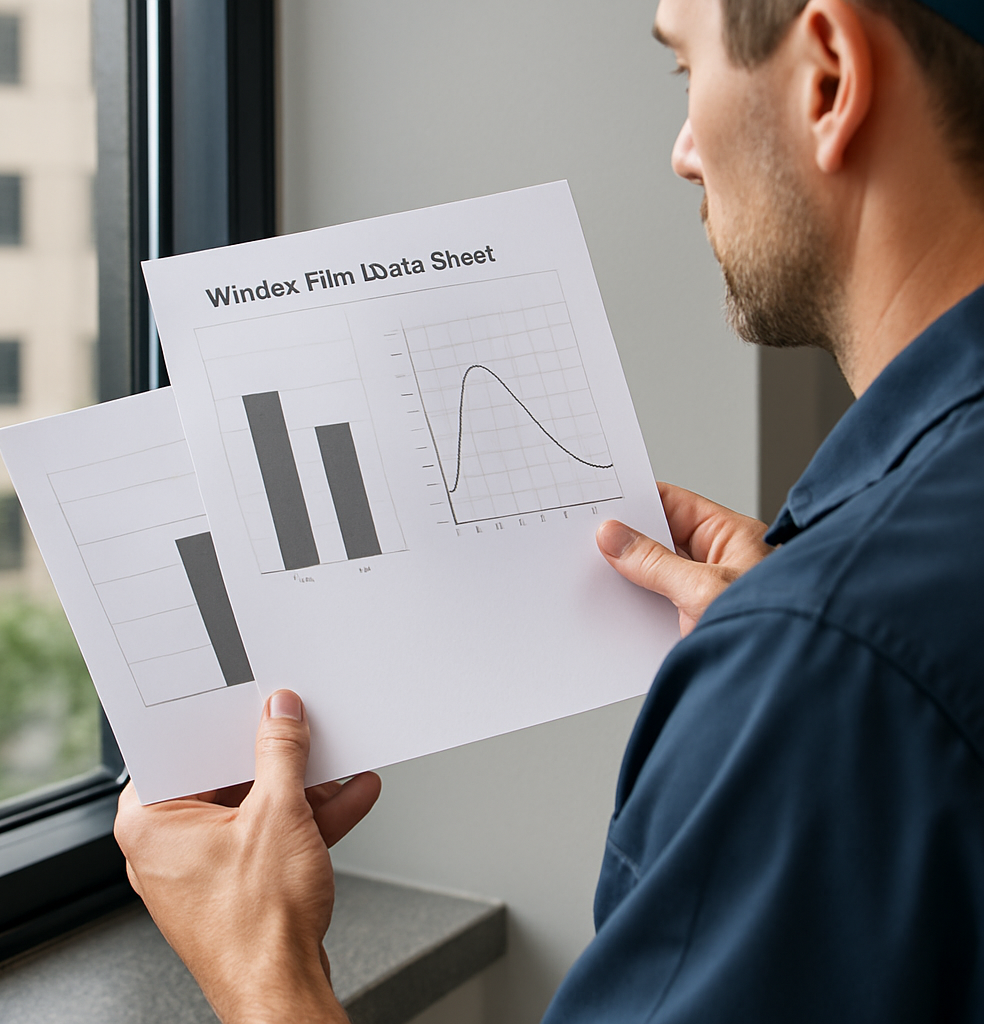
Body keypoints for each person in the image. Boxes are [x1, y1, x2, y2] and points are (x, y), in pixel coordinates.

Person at [114, 0, 984, 1020]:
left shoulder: (828, 665)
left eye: (683, 70)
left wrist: (262, 966)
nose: (683, 153)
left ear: (827, 78)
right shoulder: (861, 626)